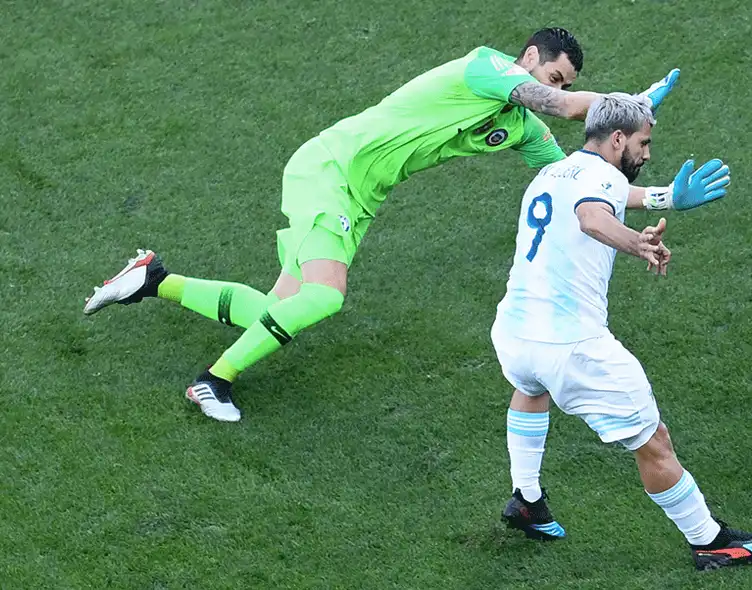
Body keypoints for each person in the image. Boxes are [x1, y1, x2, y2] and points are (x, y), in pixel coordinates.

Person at [81, 28, 686, 422]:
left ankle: (153, 279)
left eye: (565, 84)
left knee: (276, 308)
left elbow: (576, 180)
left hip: (360, 195)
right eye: (553, 76)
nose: (555, 90)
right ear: (529, 59)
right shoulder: (486, 66)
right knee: (325, 295)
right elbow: (557, 105)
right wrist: (626, 103)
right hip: (331, 169)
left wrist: (664, 196)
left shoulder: (523, 130)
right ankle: (213, 381)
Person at [490, 93, 752, 571]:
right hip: (573, 348)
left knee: (530, 389)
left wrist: (668, 199)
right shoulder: (601, 180)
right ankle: (709, 541)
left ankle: (527, 499)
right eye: (643, 143)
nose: (647, 154)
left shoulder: (555, 172)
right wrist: (636, 243)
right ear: (618, 138)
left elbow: (612, 195)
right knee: (653, 440)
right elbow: (592, 216)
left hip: (514, 335)